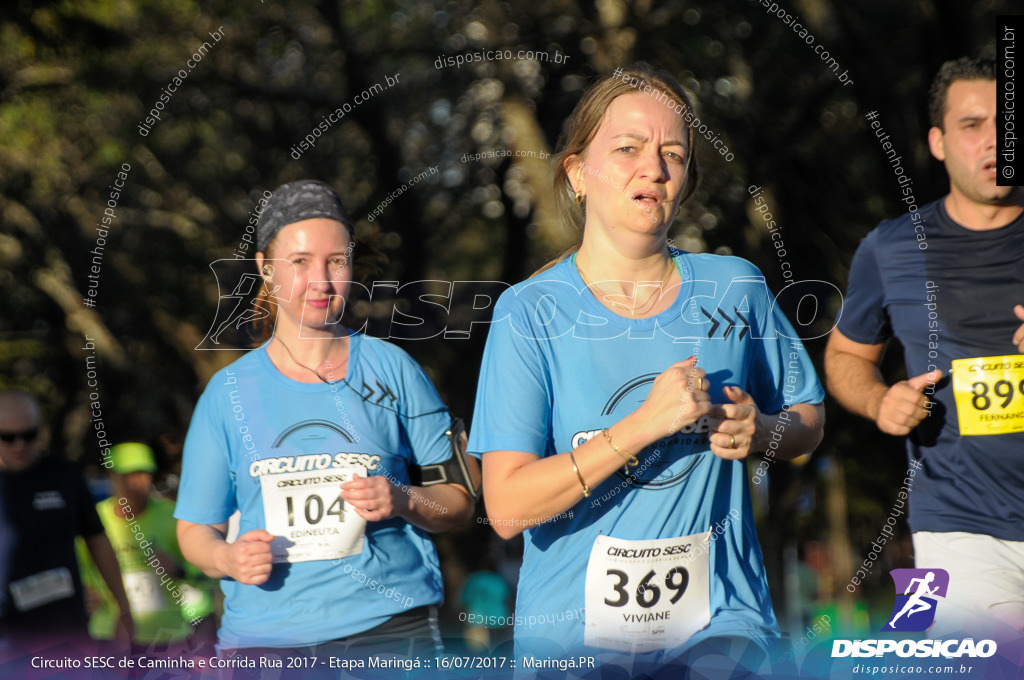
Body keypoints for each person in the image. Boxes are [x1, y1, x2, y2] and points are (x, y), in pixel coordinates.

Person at [468, 64, 825, 677]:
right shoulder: (530, 312)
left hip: (722, 625)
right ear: (578, 173)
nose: (653, 168)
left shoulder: (736, 288)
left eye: (673, 154)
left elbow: (808, 421)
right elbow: (506, 507)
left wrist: (760, 430)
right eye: (627, 148)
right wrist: (644, 425)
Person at [174, 180, 481, 665]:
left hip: (389, 629)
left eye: (336, 261)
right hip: (266, 641)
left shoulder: (394, 370)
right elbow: (195, 529)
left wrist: (402, 499)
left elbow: (460, 505)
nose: (321, 281)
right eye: (299, 262)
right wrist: (226, 559)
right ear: (266, 269)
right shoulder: (226, 393)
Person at [825, 56, 1024, 641]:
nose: (994, 141)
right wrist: (878, 401)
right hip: (961, 528)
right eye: (972, 125)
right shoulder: (893, 249)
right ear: (937, 142)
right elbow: (845, 357)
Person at [0, 390, 133, 651]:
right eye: (7, 437)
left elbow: (98, 541)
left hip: (66, 630)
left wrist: (124, 607)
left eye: (29, 435)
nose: (19, 445)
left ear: (42, 430)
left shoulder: (65, 475)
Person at [78, 442, 215, 647]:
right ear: (111, 476)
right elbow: (78, 568)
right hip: (110, 633)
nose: (135, 483)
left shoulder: (174, 516)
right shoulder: (94, 519)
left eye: (142, 474)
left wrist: (179, 569)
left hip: (168, 634)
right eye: (126, 474)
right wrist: (84, 590)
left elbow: (206, 572)